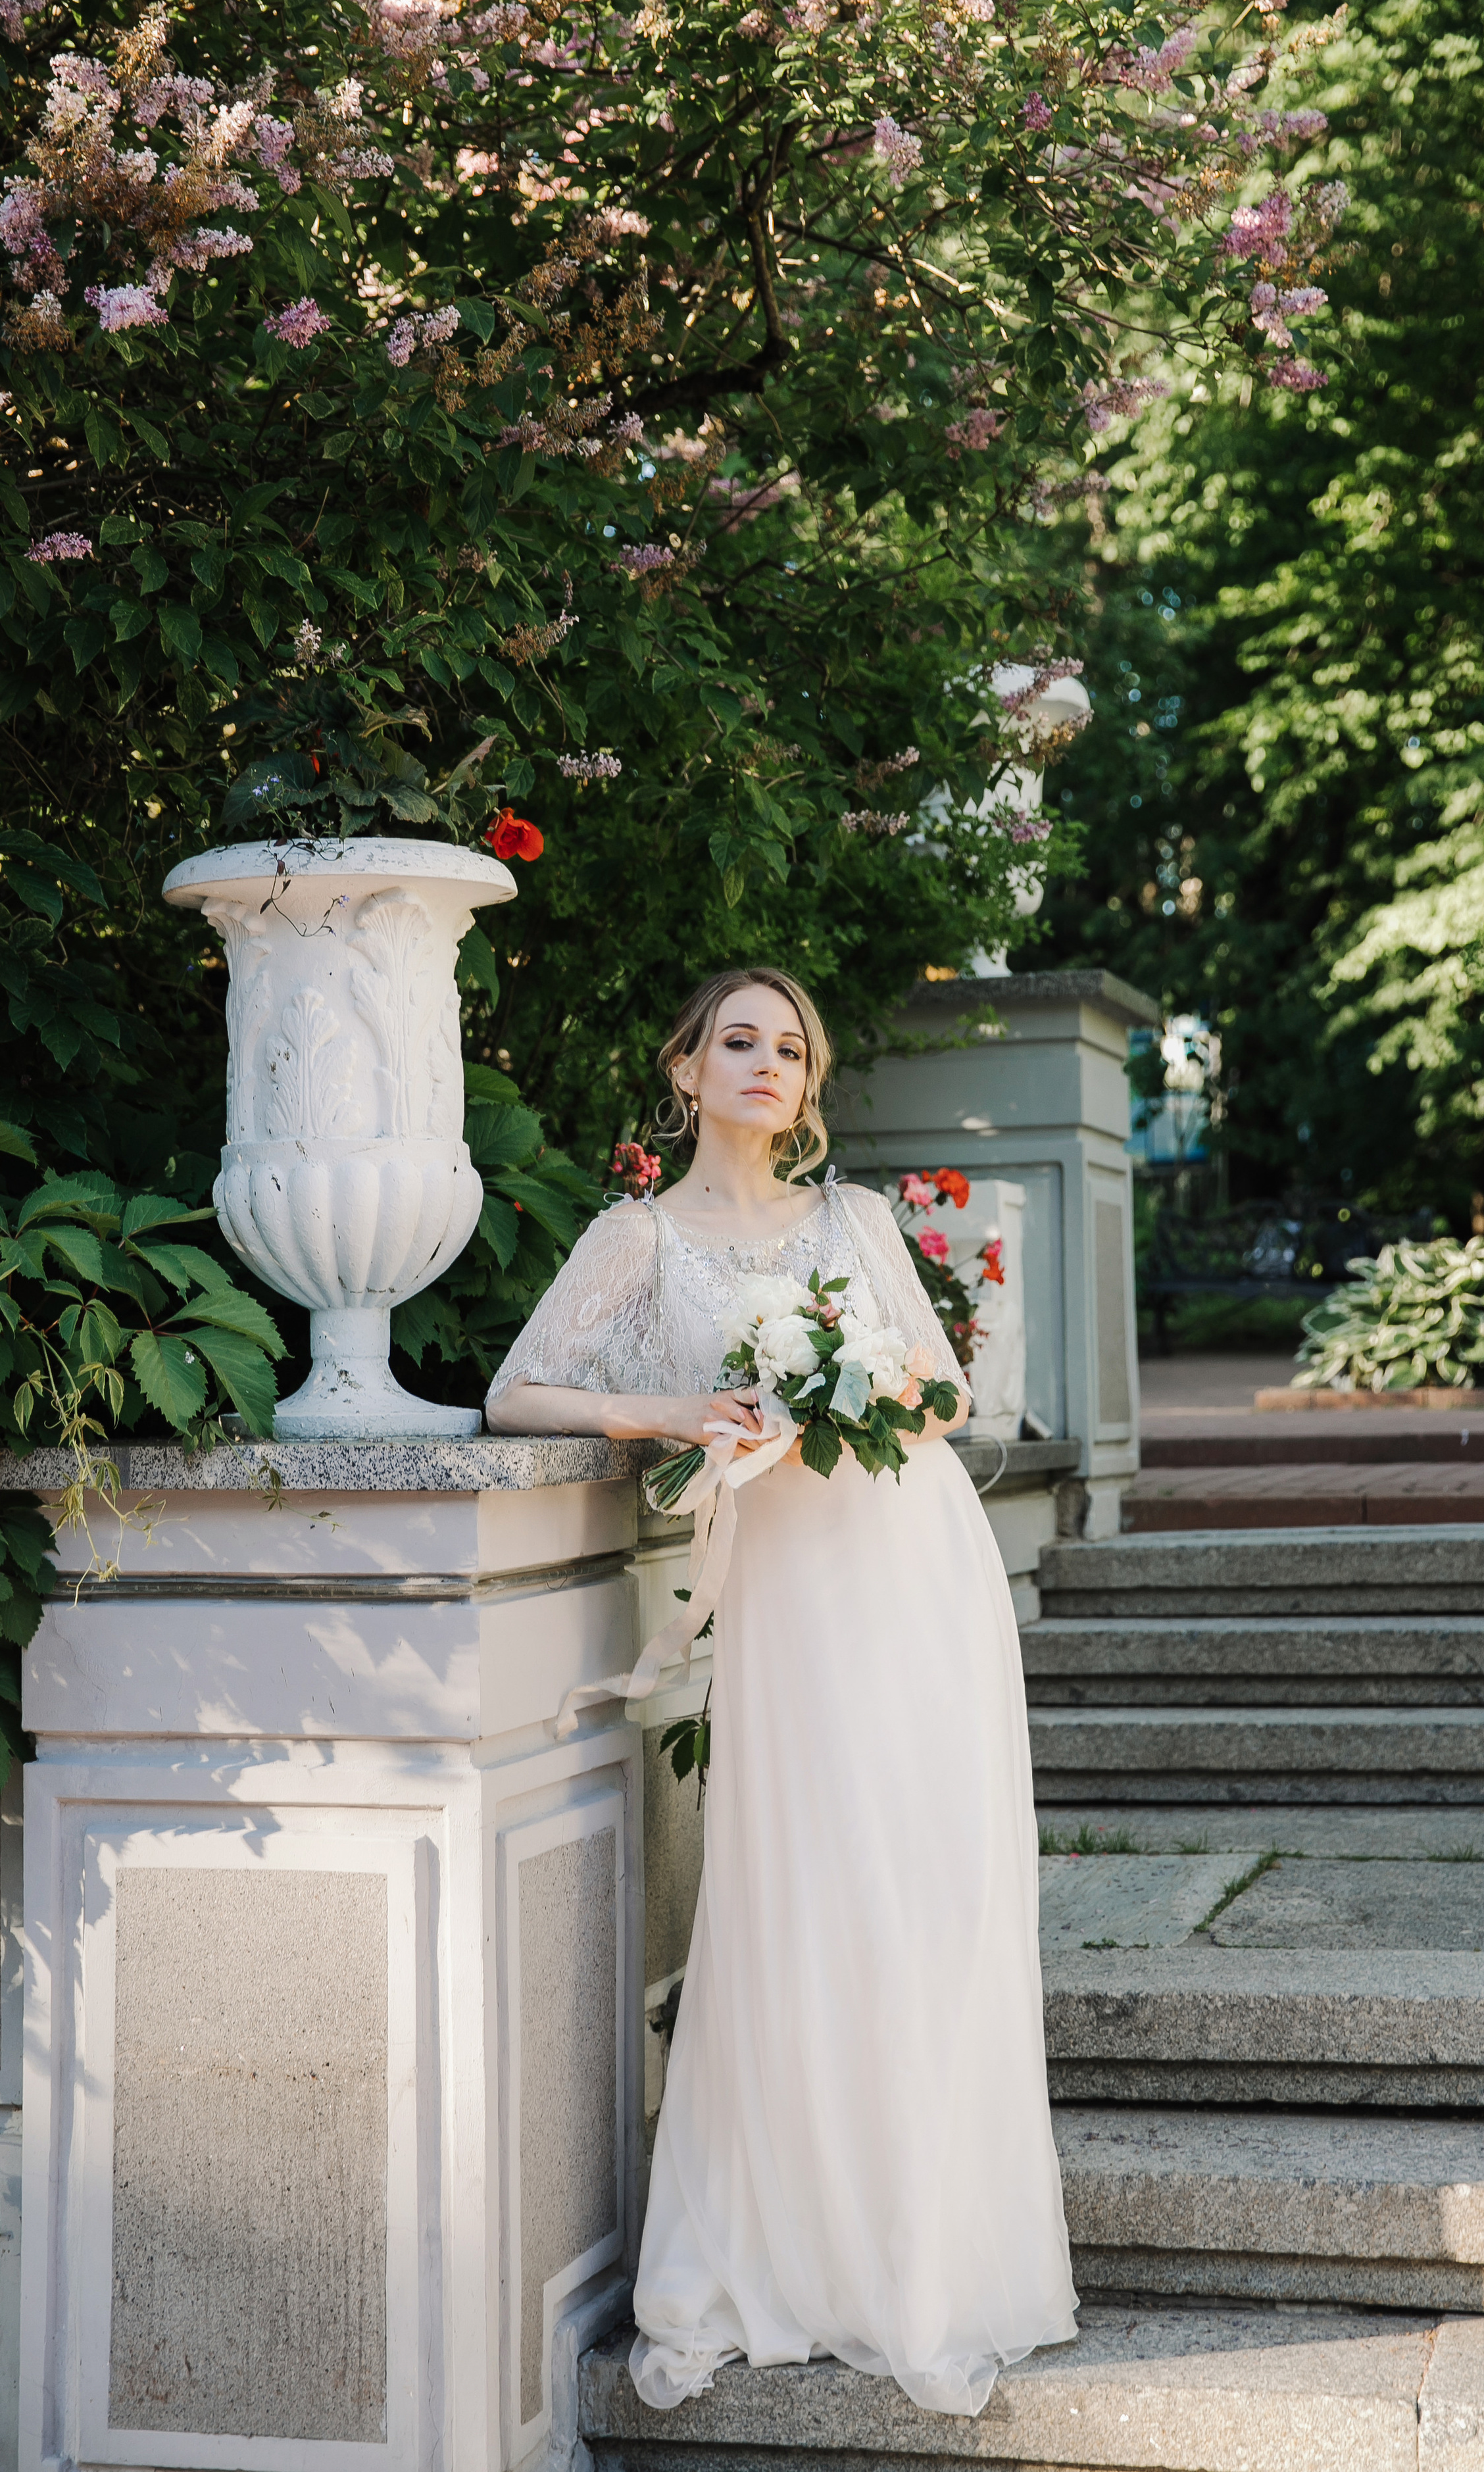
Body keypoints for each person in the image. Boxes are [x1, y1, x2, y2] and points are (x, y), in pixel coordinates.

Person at [485, 966, 1076, 2417]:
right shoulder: (637, 1239)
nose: (767, 1064)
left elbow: (941, 1395)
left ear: (807, 1088)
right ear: (684, 1071)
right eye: (738, 1041)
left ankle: (925, 2259)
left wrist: (843, 1393)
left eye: (791, 1048)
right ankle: (789, 2248)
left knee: (923, 1895)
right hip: (787, 1600)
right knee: (804, 1898)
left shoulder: (856, 1222)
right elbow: (519, 1392)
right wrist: (671, 1409)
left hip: (912, 1573)